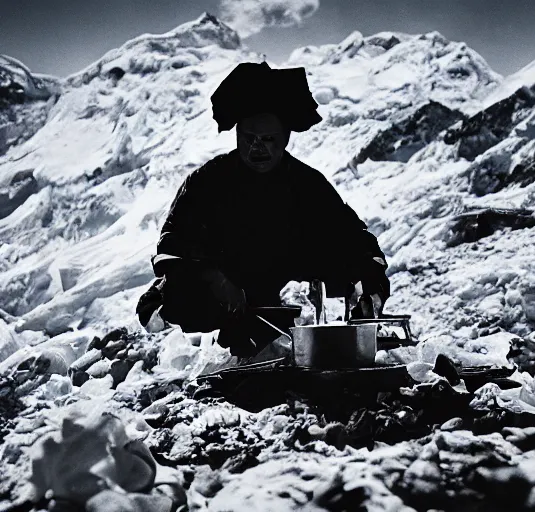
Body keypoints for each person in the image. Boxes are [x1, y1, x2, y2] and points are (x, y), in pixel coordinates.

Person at [135, 62, 390, 357]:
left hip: (281, 294)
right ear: (237, 135)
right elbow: (172, 245)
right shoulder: (207, 180)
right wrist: (214, 278)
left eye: (268, 139)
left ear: (285, 139)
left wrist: (369, 288)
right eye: (248, 138)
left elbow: (355, 239)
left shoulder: (308, 184)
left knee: (351, 267)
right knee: (182, 297)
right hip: (224, 292)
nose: (258, 148)